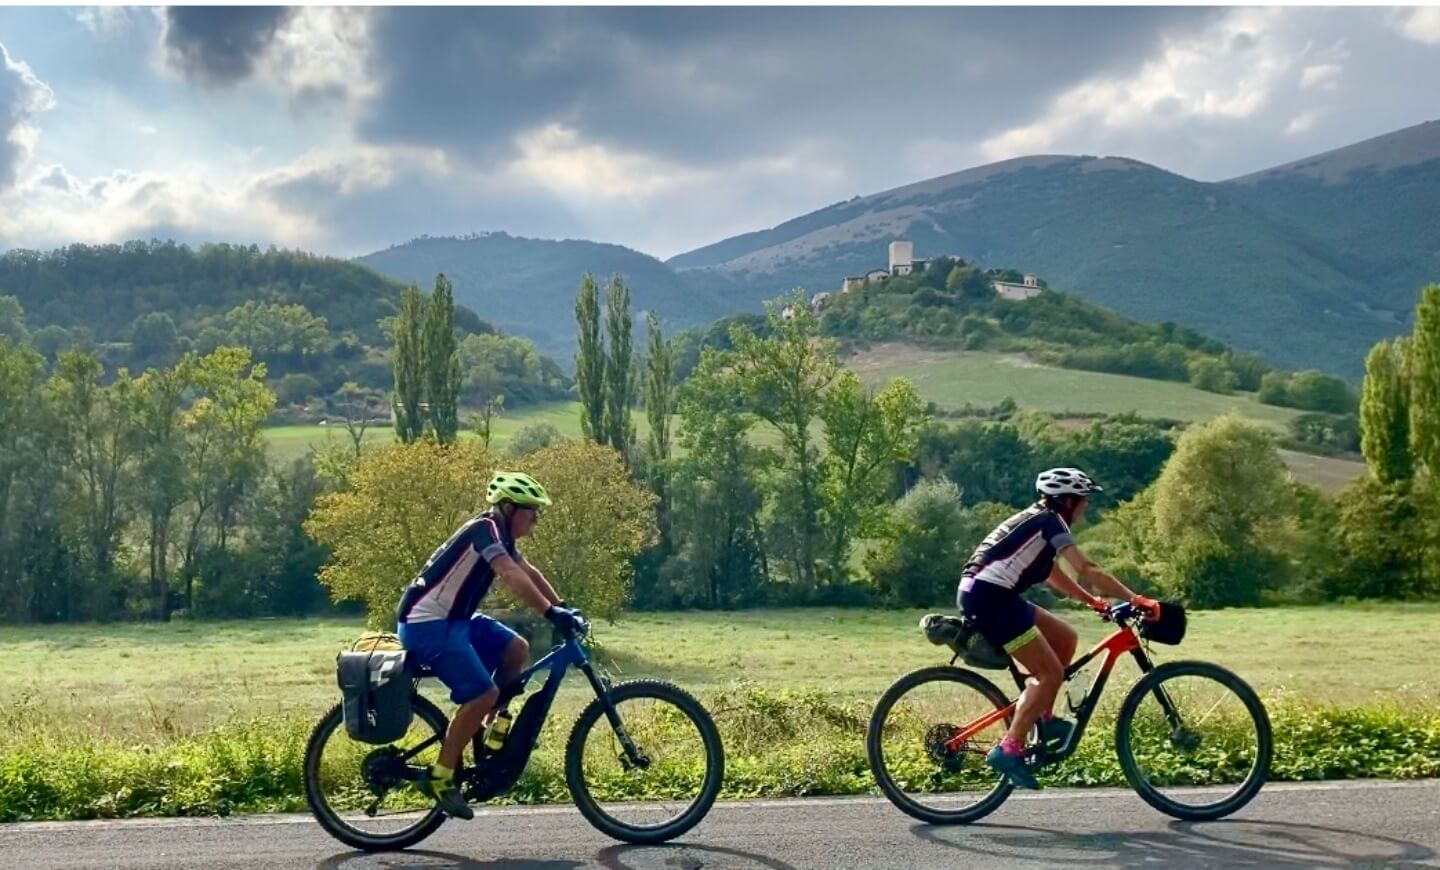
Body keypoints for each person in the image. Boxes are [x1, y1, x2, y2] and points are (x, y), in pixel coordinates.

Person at [395, 471, 583, 819]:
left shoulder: (503, 536)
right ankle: (441, 776)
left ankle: (491, 731)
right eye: (531, 510)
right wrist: (549, 612)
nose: (536, 518)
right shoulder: (483, 531)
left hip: (456, 621)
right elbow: (511, 576)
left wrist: (563, 608)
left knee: (517, 649)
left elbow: (530, 572)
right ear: (509, 508)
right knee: (482, 694)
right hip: (427, 625)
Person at [957, 467, 1158, 790]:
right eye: (1083, 500)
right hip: (990, 598)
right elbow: (1085, 567)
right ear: (1067, 501)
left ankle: (1044, 720)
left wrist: (1091, 600)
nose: (1086, 507)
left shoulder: (1039, 520)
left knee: (1066, 638)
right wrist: (1136, 598)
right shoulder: (1051, 522)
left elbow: (1051, 573)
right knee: (1049, 674)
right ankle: (1009, 748)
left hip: (991, 593)